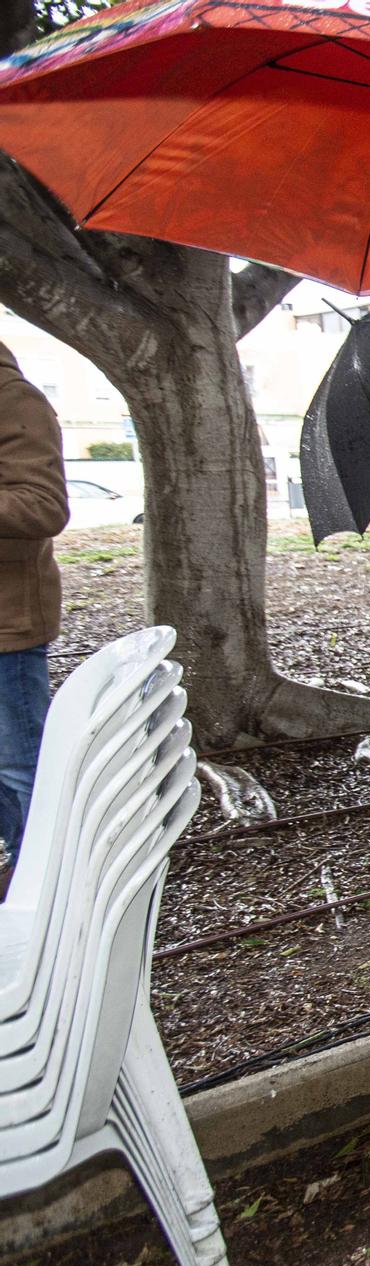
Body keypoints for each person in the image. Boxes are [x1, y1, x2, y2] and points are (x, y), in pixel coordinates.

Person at [0, 339, 64, 892]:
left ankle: (43, 892)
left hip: (6, 630)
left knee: (24, 771)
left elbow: (43, 506)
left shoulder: (13, 399)